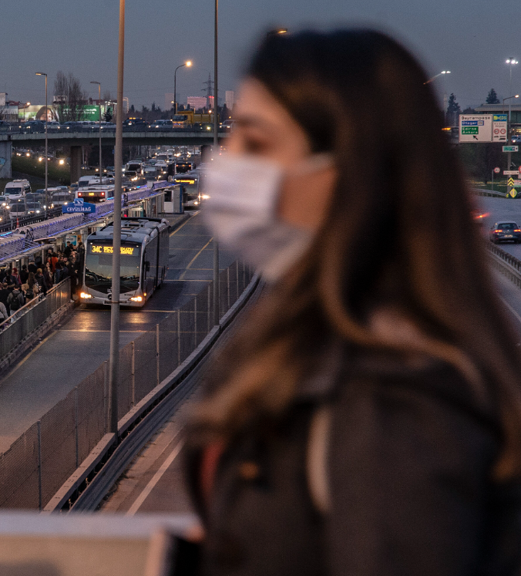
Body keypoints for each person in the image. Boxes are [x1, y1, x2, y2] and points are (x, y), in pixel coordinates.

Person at [184, 29, 521, 575]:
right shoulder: (327, 345)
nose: (223, 165)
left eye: (256, 142)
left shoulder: (392, 411)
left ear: (348, 176)